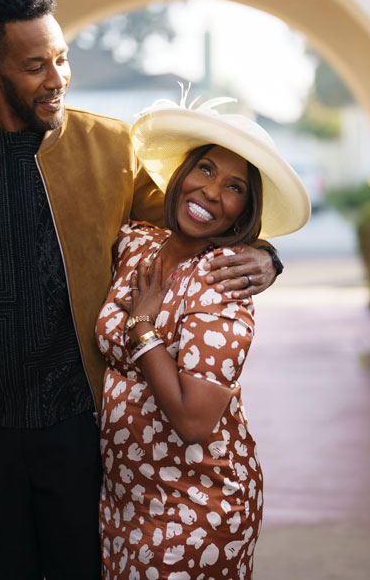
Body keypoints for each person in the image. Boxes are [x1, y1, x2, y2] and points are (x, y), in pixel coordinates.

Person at [0, 0, 281, 579]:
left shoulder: (111, 147)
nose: (57, 79)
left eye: (62, 58)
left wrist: (266, 256)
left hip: (78, 430)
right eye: (34, 66)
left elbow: (198, 219)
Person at [95, 94, 310, 579]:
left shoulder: (220, 285)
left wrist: (143, 328)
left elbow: (194, 421)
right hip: (124, 501)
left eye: (233, 187)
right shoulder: (134, 245)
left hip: (195, 508)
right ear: (181, 175)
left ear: (243, 213)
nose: (212, 192)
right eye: (206, 169)